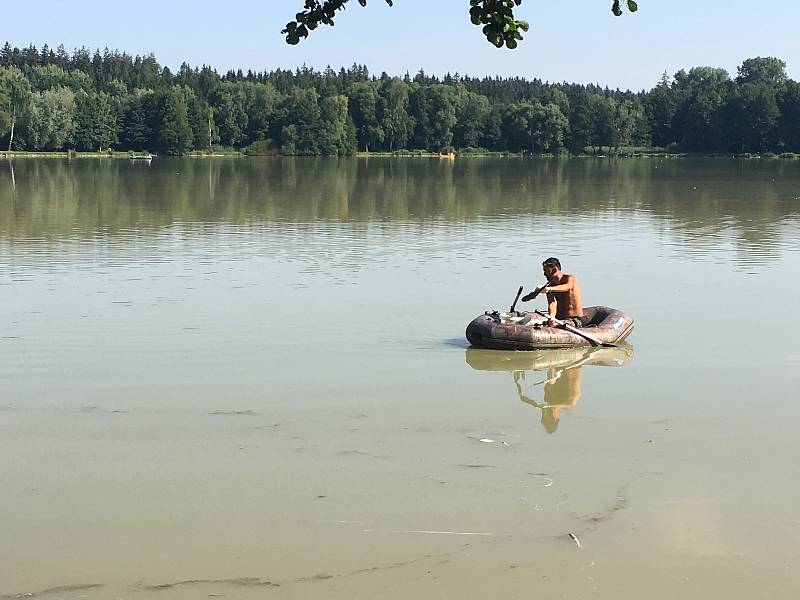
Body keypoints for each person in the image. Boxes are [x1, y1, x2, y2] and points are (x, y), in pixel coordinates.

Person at [522, 257, 590, 328]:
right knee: (545, 324)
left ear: (554, 270)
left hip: (575, 319)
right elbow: (552, 303)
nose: (544, 274)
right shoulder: (550, 285)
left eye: (546, 271)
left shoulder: (570, 279)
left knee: (557, 325)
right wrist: (552, 316)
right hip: (559, 319)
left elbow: (567, 287)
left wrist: (549, 289)